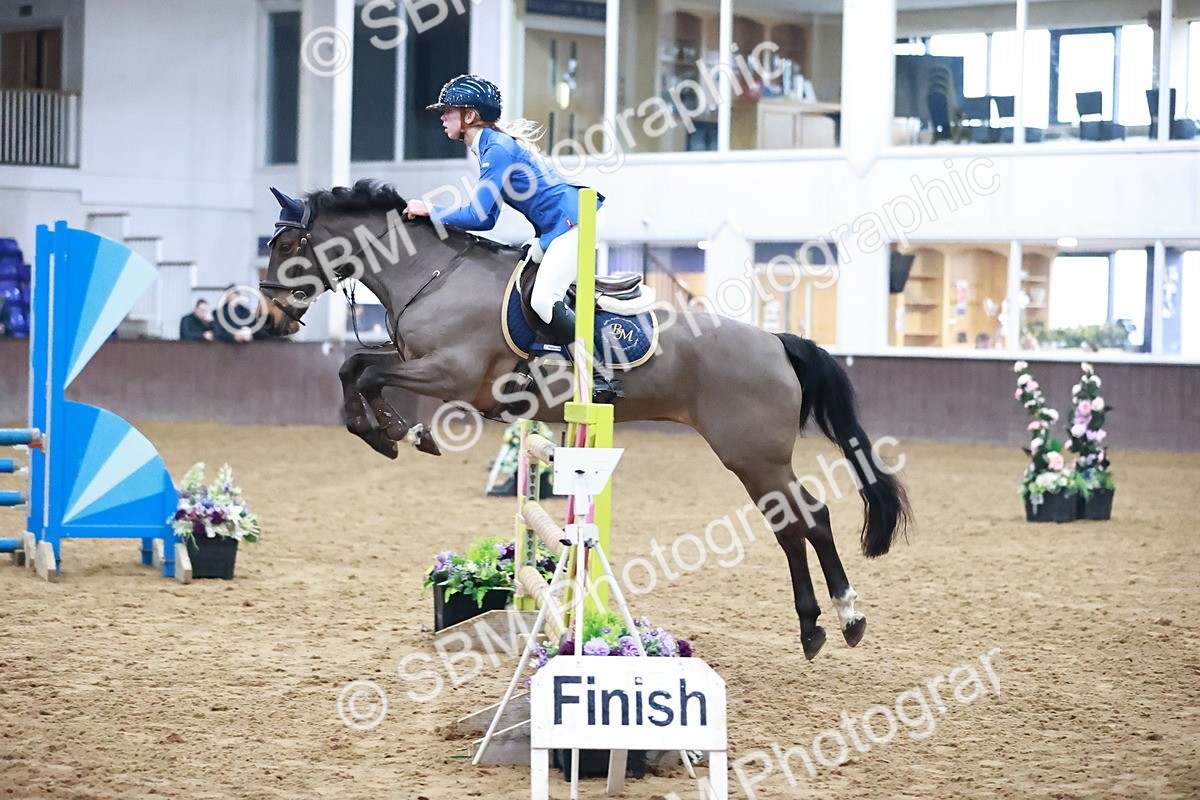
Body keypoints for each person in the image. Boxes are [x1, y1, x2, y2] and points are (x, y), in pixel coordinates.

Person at [401, 74, 619, 401]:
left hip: (574, 222)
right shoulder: (490, 147)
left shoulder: (497, 149)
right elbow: (488, 218)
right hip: (554, 229)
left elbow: (477, 216)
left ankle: (603, 373)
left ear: (470, 116)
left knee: (543, 299)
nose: (442, 117)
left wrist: (430, 209)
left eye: (448, 111)